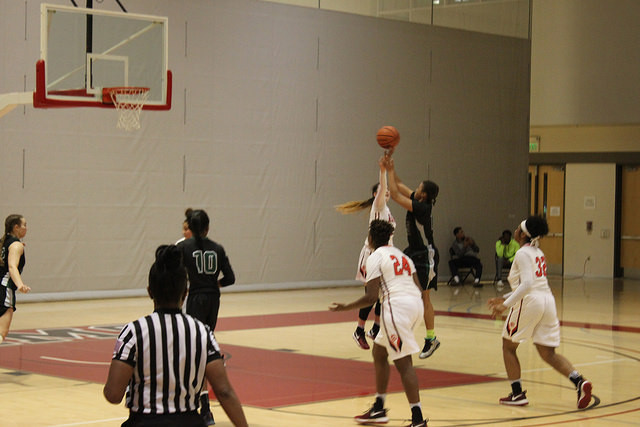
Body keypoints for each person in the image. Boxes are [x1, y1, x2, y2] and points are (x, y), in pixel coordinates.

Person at [103, 245, 248, 427]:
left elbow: (113, 394)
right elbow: (224, 391)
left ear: (150, 291)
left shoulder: (134, 331)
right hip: (189, 421)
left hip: (145, 421)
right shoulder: (202, 332)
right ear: (185, 293)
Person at [329, 219, 428, 427]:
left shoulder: (374, 257)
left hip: (396, 308)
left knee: (403, 362)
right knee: (380, 352)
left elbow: (371, 297)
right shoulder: (402, 255)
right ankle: (379, 407)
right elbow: (419, 289)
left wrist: (345, 307)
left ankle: (418, 419)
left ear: (370, 239)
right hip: (416, 306)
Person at [488, 216, 593, 409]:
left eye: (518, 227)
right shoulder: (538, 252)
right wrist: (505, 297)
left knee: (508, 346)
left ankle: (517, 393)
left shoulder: (522, 253)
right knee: (547, 353)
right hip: (547, 301)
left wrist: (506, 305)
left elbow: (527, 285)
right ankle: (579, 382)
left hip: (530, 302)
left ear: (522, 233)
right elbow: (531, 284)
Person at [178, 209, 235, 425]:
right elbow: (230, 278)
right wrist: (214, 283)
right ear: (208, 227)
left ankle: (203, 408)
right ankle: (203, 406)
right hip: (213, 300)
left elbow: (174, 273)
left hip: (195, 298)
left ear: (190, 229)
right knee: (205, 346)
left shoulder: (183, 247)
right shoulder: (218, 249)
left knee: (194, 351)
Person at [382, 150, 440, 359]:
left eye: (419, 188)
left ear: (423, 195)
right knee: (406, 291)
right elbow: (398, 184)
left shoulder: (422, 208)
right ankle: (393, 328)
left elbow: (395, 194)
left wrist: (389, 173)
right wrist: (390, 167)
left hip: (425, 254)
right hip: (414, 252)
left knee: (423, 297)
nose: (415, 190)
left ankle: (430, 338)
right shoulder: (418, 198)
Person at [335, 158, 395, 350]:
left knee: (384, 295)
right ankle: (359, 330)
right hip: (371, 256)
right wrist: (383, 171)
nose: (387, 192)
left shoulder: (387, 210)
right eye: (383, 190)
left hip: (384, 256)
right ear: (376, 194)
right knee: (372, 295)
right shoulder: (379, 206)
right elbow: (383, 185)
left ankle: (376, 328)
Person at [0, 214, 31, 344]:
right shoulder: (16, 245)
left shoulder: (4, 243)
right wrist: (20, 285)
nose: (27, 228)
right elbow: (12, 267)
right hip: (4, 289)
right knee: (2, 332)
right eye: (24, 225)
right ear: (16, 227)